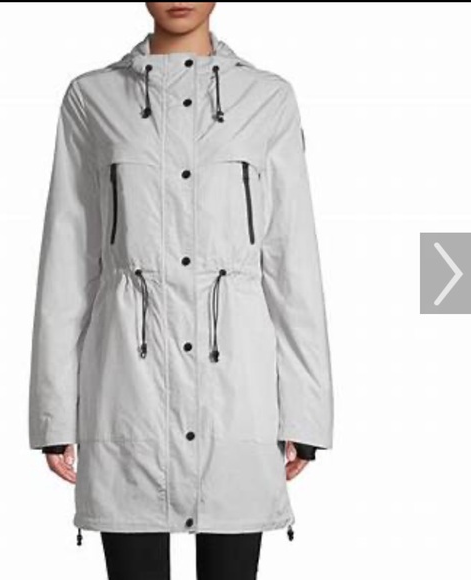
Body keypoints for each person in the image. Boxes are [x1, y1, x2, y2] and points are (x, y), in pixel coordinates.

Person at [28, 3, 334, 579]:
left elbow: (292, 266)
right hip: (128, 388)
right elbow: (67, 263)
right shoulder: (92, 99)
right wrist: (54, 414)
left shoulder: (267, 100)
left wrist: (306, 414)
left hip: (237, 394)